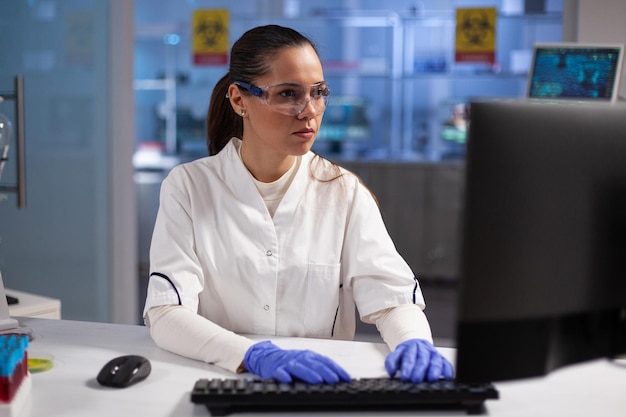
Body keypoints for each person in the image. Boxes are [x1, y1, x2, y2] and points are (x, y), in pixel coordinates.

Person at [143, 24, 454, 385]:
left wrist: (413, 341)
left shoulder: (343, 191)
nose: (309, 111)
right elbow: (166, 311)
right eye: (288, 93)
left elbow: (392, 298)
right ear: (239, 99)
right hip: (220, 379)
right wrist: (249, 354)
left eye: (318, 92)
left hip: (320, 385)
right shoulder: (189, 187)